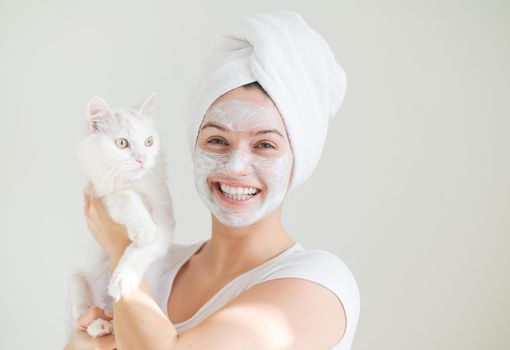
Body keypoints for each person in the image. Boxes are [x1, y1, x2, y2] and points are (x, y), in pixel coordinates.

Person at [65, 10, 360, 350]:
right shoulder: (159, 266)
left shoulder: (320, 283)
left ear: (298, 158)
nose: (235, 166)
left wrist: (122, 249)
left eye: (264, 145)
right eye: (217, 140)